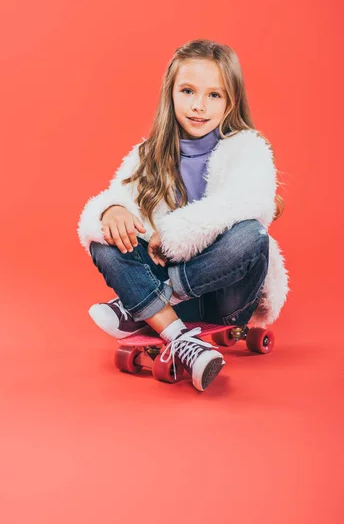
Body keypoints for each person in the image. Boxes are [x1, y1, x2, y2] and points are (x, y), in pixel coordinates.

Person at [77, 39, 290, 392]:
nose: (198, 106)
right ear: (170, 93)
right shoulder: (148, 154)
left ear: (231, 100)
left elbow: (248, 202)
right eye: (188, 91)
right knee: (104, 237)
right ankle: (179, 336)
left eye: (214, 95)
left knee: (252, 235)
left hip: (224, 297)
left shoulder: (249, 149)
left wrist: (176, 233)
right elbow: (119, 198)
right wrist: (113, 210)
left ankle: (150, 302)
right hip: (175, 298)